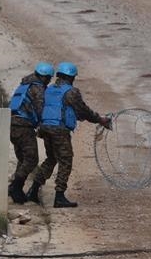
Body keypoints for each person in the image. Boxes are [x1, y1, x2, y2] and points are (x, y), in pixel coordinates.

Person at [25, 62, 112, 208]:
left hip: (45, 128)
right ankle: (59, 196)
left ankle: (33, 190)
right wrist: (100, 120)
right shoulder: (71, 92)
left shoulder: (49, 89)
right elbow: (83, 111)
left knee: (51, 158)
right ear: (71, 78)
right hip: (59, 130)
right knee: (65, 160)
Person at [7, 62, 53, 204]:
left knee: (23, 159)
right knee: (32, 159)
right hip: (24, 126)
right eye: (49, 79)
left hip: (12, 124)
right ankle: (16, 187)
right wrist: (45, 125)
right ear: (45, 77)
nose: (49, 81)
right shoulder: (37, 88)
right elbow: (40, 109)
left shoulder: (24, 85)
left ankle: (15, 188)